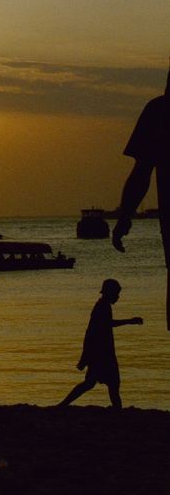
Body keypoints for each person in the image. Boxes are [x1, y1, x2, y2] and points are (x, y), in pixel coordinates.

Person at [112, 61, 170, 329]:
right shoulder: (159, 111)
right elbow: (141, 173)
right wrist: (124, 217)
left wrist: (125, 217)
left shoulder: (159, 111)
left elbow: (141, 173)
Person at [59, 279, 143, 409]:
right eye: (116, 294)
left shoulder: (103, 305)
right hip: (101, 353)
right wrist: (129, 321)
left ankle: (64, 404)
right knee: (109, 383)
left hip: (101, 352)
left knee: (95, 383)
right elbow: (101, 327)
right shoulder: (102, 306)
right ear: (110, 293)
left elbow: (95, 330)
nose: (118, 297)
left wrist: (85, 356)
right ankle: (117, 409)